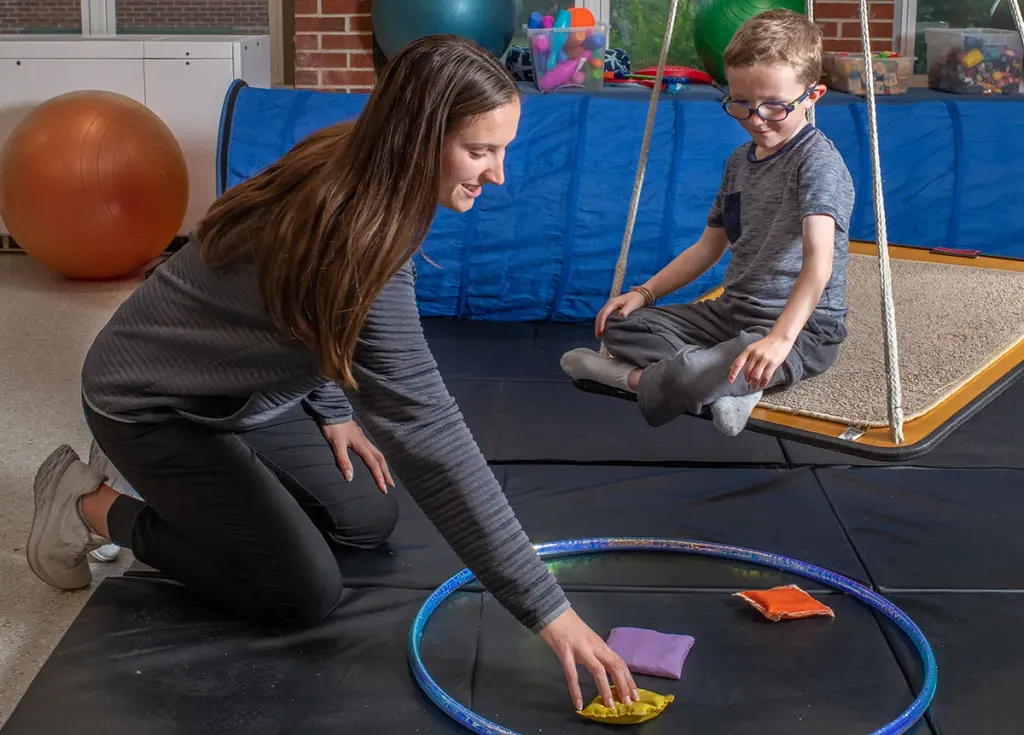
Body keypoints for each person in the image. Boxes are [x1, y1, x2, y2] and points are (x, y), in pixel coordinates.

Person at [25, 34, 638, 714]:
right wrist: (550, 610)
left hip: (235, 391)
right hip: (148, 402)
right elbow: (430, 436)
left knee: (365, 518)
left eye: (504, 149)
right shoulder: (353, 236)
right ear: (417, 138)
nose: (498, 175)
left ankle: (184, 479)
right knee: (298, 590)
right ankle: (88, 503)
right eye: (480, 151)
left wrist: (334, 409)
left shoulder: (359, 159)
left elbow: (283, 304)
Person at [561, 9, 855, 437]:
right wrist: (644, 293)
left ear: (812, 95)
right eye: (741, 104)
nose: (756, 119)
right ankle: (722, 382)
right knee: (621, 326)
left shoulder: (818, 164)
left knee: (716, 362)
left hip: (802, 330)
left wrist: (778, 339)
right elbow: (708, 247)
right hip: (731, 315)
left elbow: (818, 263)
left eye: (774, 106)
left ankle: (635, 379)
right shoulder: (740, 162)